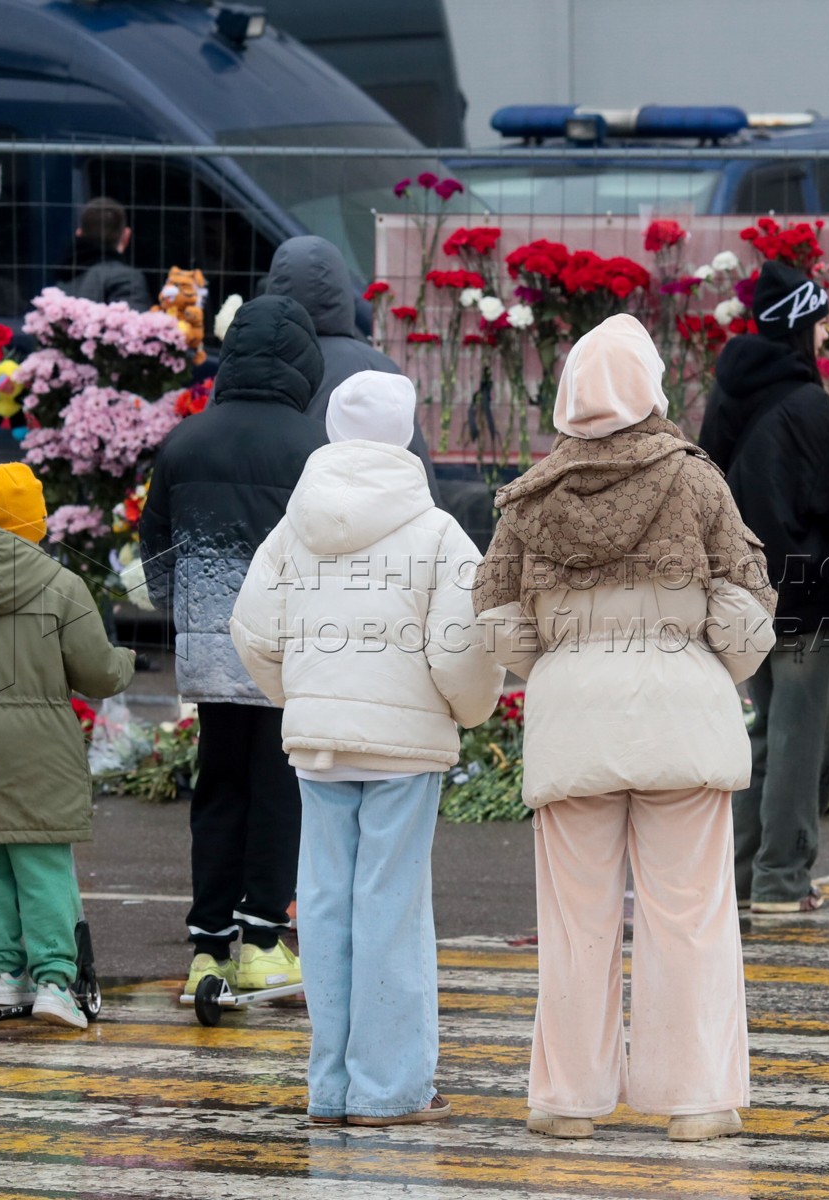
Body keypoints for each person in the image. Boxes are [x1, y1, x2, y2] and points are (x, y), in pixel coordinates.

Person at [474, 314, 776, 1143]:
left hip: (573, 722)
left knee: (576, 920)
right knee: (689, 917)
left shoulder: (530, 496)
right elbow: (748, 608)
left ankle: (566, 1100)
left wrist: (561, 668)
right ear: (652, 385)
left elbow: (494, 611)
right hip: (683, 715)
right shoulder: (696, 481)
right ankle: (698, 1099)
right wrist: (706, 653)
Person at [231, 370, 504, 1127]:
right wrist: (467, 711)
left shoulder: (295, 526)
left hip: (320, 746)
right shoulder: (437, 531)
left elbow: (252, 630)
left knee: (321, 906)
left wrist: (306, 698)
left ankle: (330, 1087)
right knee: (392, 909)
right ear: (406, 434)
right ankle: (389, 1089)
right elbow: (465, 649)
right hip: (404, 750)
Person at [139, 293, 327, 998]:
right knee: (279, 792)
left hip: (212, 655)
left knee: (217, 790)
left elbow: (155, 554)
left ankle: (207, 946)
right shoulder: (315, 449)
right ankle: (261, 941)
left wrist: (188, 614)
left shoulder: (187, 441)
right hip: (289, 652)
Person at [0, 463, 136, 1027]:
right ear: (36, 521)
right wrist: (126, 662)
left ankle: (5, 976)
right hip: (40, 749)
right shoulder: (63, 587)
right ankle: (54, 982)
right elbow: (99, 675)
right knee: (42, 864)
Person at [699, 261, 829, 920]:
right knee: (805, 747)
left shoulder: (728, 395)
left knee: (768, 737)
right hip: (801, 598)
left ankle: (742, 878)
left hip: (742, 595)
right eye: (821, 321)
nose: (827, 334)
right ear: (801, 322)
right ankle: (781, 879)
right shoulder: (806, 406)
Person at [260, 235, 441, 499]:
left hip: (267, 528)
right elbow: (416, 472)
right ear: (342, 290)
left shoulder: (250, 360)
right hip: (360, 521)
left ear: (275, 285)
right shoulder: (376, 367)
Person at [57, 197, 150, 307]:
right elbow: (132, 322)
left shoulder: (62, 282)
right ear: (126, 236)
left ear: (79, 234)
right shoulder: (127, 279)